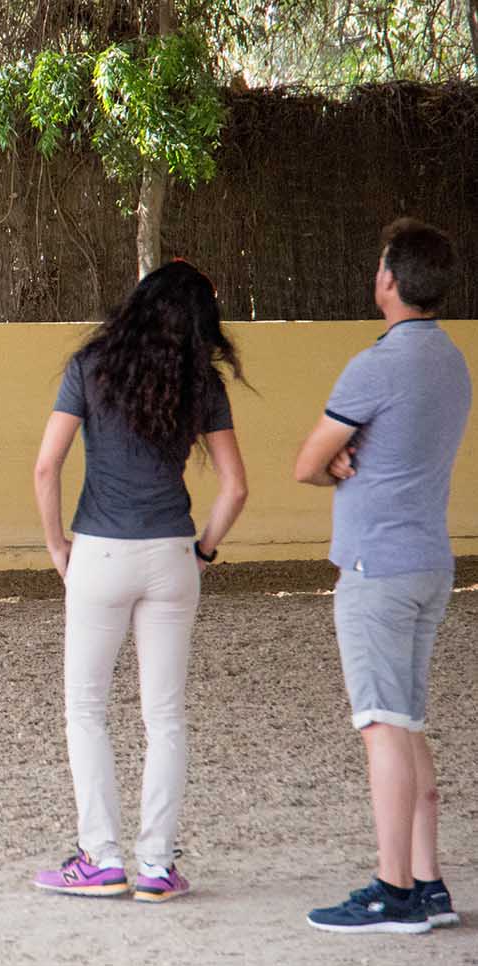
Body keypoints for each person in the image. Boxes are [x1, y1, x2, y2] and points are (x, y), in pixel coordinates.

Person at [31, 260, 249, 903]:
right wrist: (203, 549)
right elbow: (235, 488)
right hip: (172, 557)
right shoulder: (200, 382)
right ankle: (156, 866)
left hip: (99, 552)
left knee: (86, 711)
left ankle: (100, 859)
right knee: (166, 717)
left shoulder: (91, 367)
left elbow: (47, 469)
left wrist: (56, 546)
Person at [296, 218, 469, 934]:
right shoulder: (452, 361)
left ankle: (392, 888)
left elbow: (307, 462)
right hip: (427, 560)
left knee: (381, 726)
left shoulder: (374, 365)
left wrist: (335, 461)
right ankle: (428, 882)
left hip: (377, 567)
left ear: (389, 281)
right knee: (408, 721)